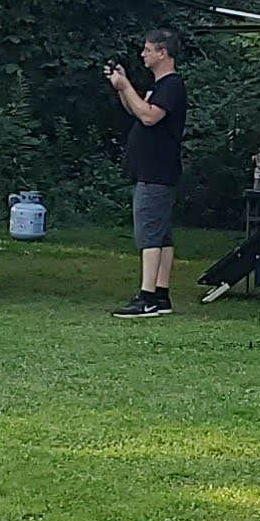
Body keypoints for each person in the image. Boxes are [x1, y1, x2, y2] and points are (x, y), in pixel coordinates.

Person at [105, 27, 186, 317]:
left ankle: (147, 297)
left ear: (163, 52)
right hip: (154, 170)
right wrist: (122, 86)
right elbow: (138, 111)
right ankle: (161, 295)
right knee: (161, 235)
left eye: (148, 50)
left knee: (149, 234)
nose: (143, 54)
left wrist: (127, 88)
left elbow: (150, 116)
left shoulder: (172, 85)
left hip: (157, 170)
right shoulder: (160, 85)